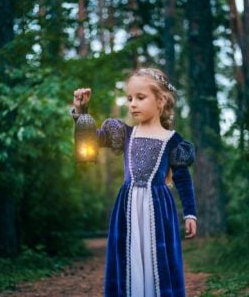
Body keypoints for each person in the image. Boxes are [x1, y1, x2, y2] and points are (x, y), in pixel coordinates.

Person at [72, 67, 197, 297]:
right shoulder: (126, 134)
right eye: (130, 98)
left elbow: (182, 178)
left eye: (140, 97)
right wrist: (82, 112)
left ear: (160, 101)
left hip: (158, 210)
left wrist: (190, 213)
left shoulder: (173, 141)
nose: (132, 104)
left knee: (156, 260)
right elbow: (91, 142)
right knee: (129, 257)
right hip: (127, 208)